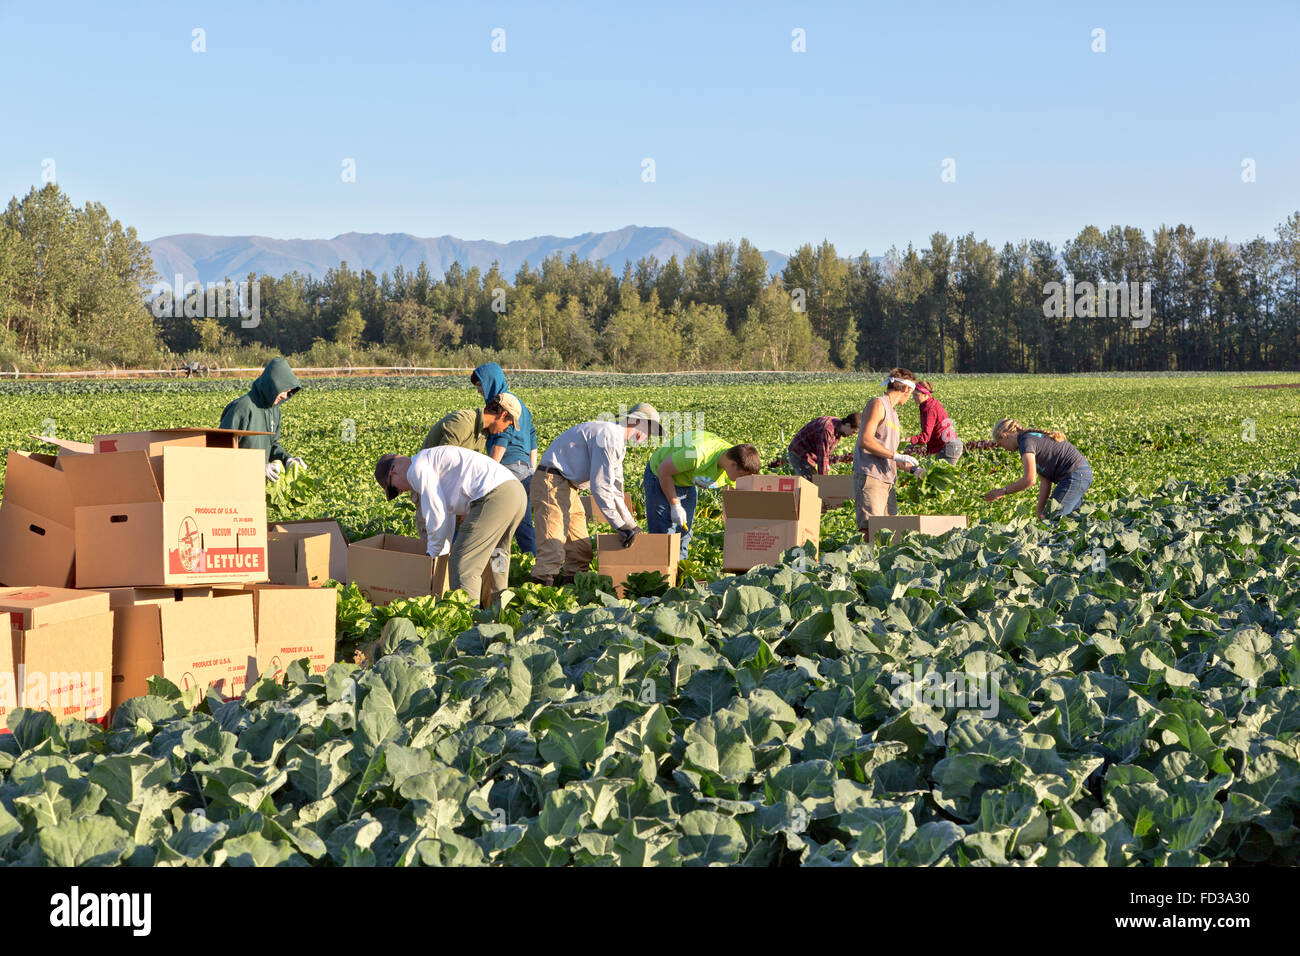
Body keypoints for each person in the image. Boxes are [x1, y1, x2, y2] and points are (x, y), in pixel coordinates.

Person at [374, 445, 527, 607]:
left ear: (394, 472)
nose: (402, 492)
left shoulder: (416, 469)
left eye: (395, 489)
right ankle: (499, 609)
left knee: (463, 565)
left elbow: (436, 513)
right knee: (498, 554)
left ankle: (470, 622)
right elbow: (447, 516)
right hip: (515, 491)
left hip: (495, 496)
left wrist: (432, 553)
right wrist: (442, 551)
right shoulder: (430, 461)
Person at [529, 403, 659, 587]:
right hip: (551, 480)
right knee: (553, 544)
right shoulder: (610, 436)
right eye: (648, 429)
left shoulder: (617, 443)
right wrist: (619, 525)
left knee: (580, 549)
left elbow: (615, 490)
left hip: (568, 485)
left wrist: (631, 525)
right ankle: (538, 596)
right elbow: (600, 487)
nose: (647, 436)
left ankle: (571, 590)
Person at [414, 394, 523, 535]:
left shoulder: (483, 433)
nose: (506, 429)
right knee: (432, 541)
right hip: (432, 489)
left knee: (455, 541)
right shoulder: (463, 422)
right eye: (508, 424)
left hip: (450, 493)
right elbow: (440, 465)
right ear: (503, 414)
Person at [645, 431, 760, 560]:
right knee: (663, 531)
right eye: (741, 477)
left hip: (687, 480)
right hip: (660, 474)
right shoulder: (695, 455)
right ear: (733, 465)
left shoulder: (733, 461)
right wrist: (675, 505)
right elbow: (663, 471)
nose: (740, 481)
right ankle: (661, 571)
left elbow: (731, 496)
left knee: (684, 529)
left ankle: (679, 568)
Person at [471, 363, 539, 555]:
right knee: (522, 524)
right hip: (524, 470)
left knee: (499, 525)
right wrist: (530, 469)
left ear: (491, 381)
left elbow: (503, 438)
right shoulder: (520, 405)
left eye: (480, 385)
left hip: (507, 468)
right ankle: (537, 567)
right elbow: (532, 437)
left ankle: (500, 571)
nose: (479, 391)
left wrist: (489, 473)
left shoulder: (502, 406)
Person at [853, 368, 921, 529]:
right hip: (871, 476)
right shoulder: (878, 404)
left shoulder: (894, 413)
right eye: (911, 392)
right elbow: (866, 440)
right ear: (906, 388)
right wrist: (896, 456)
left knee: (890, 531)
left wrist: (914, 470)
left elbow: (888, 453)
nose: (911, 396)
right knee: (871, 529)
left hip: (888, 479)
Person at [984, 419, 1093, 518]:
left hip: (1075, 475)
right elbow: (1045, 481)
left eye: (1001, 444)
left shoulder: (1026, 442)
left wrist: (1003, 491)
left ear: (1005, 436)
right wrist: (1040, 512)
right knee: (1071, 521)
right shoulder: (1030, 439)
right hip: (1080, 475)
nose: (1004, 449)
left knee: (1053, 518)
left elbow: (1029, 480)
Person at [219, 357, 304, 482]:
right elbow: (220, 451)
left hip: (257, 485)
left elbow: (273, 444)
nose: (285, 396)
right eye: (284, 390)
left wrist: (287, 459)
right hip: (235, 483)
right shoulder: (242, 408)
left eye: (289, 391)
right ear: (273, 385)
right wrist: (255, 466)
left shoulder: (275, 410)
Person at [787, 414, 861, 478]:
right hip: (799, 453)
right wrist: (824, 481)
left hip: (810, 454)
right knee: (809, 484)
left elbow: (826, 454)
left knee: (815, 482)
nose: (852, 435)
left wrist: (833, 462)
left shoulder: (838, 428)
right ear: (848, 425)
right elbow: (822, 458)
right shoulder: (827, 430)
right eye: (853, 432)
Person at [907, 381, 964, 465]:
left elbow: (925, 437)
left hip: (949, 447)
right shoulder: (929, 404)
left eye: (916, 395)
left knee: (942, 476)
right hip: (950, 445)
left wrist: (907, 439)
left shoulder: (929, 409)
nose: (913, 397)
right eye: (913, 394)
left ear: (925, 394)